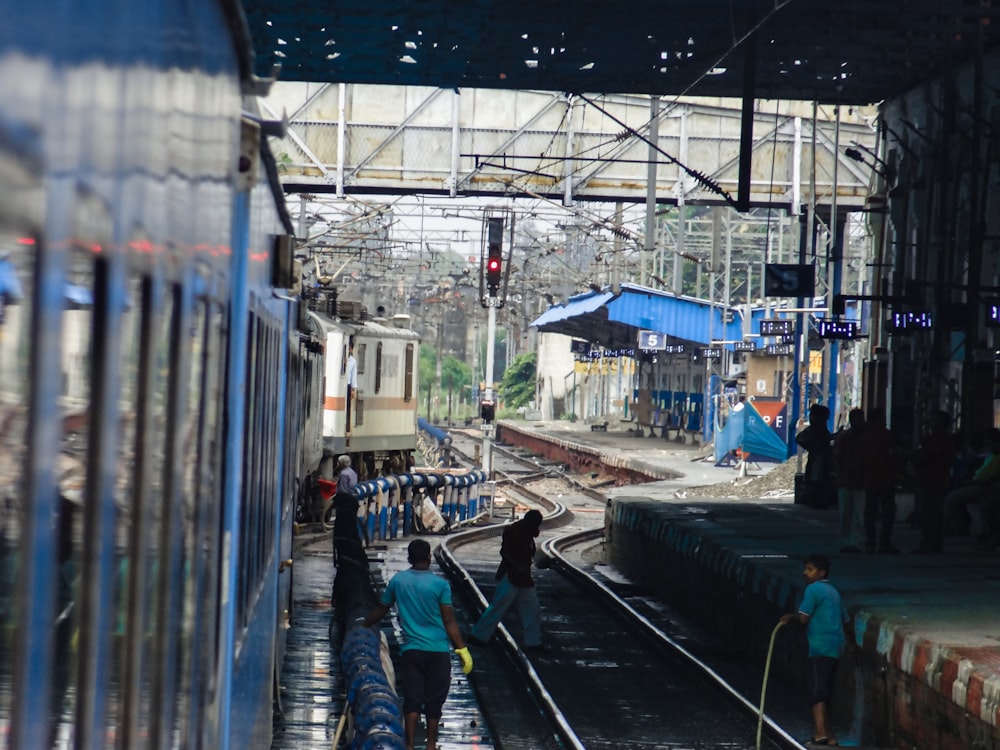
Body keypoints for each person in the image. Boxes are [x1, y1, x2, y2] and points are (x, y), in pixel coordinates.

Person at [362, 539, 473, 750]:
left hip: (412, 651)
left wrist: (365, 624)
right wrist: (462, 649)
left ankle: (410, 744)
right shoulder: (440, 585)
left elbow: (381, 609)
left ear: (409, 558)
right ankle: (431, 745)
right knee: (434, 703)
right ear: (429, 558)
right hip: (438, 652)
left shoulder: (398, 581)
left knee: (412, 699)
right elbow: (449, 621)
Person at [780, 553, 852, 747]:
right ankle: (831, 735)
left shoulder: (813, 589)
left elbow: (804, 618)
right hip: (836, 646)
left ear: (821, 572)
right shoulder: (833, 592)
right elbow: (846, 620)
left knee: (817, 690)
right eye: (805, 569)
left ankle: (820, 733)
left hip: (820, 645)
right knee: (826, 690)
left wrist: (790, 617)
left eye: (810, 569)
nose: (805, 573)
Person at [466, 509, 547, 651]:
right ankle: (479, 635)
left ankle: (533, 641)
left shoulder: (523, 531)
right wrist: (517, 566)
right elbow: (505, 552)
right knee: (503, 605)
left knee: (528, 608)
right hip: (510, 574)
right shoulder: (515, 532)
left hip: (522, 576)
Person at [944, 427, 1000, 549]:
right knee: (952, 498)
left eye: (990, 441)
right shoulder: (991, 456)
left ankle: (989, 535)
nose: (987, 445)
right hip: (981, 484)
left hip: (987, 487)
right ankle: (961, 527)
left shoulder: (993, 456)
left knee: (987, 503)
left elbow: (990, 477)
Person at [912, 410, 955, 554]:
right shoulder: (935, 438)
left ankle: (930, 543)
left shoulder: (940, 439)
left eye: (934, 419)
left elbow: (931, 456)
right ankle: (934, 543)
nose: (931, 421)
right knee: (932, 513)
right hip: (932, 479)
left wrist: (920, 457)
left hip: (934, 479)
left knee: (931, 513)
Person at [859, 408, 899, 553]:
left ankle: (870, 541)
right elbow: (893, 456)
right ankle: (885, 542)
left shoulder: (864, 436)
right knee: (887, 512)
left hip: (870, 478)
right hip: (886, 478)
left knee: (870, 511)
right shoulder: (886, 435)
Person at [832, 408, 865, 553]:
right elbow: (837, 458)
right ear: (852, 421)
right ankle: (847, 541)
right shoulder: (845, 438)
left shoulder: (865, 438)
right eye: (858, 419)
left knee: (858, 513)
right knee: (846, 513)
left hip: (860, 481)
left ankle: (855, 542)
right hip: (846, 480)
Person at [796, 404, 834, 509]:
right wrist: (815, 446)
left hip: (820, 459)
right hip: (819, 459)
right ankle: (815, 499)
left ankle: (817, 499)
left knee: (817, 477)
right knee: (816, 477)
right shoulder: (816, 429)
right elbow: (800, 439)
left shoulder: (819, 429)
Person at [346, 342, 357, 434]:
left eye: (350, 348)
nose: (349, 350)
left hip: (348, 385)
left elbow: (354, 375)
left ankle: (347, 425)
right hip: (343, 383)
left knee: (348, 405)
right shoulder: (343, 359)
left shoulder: (353, 361)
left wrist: (353, 389)